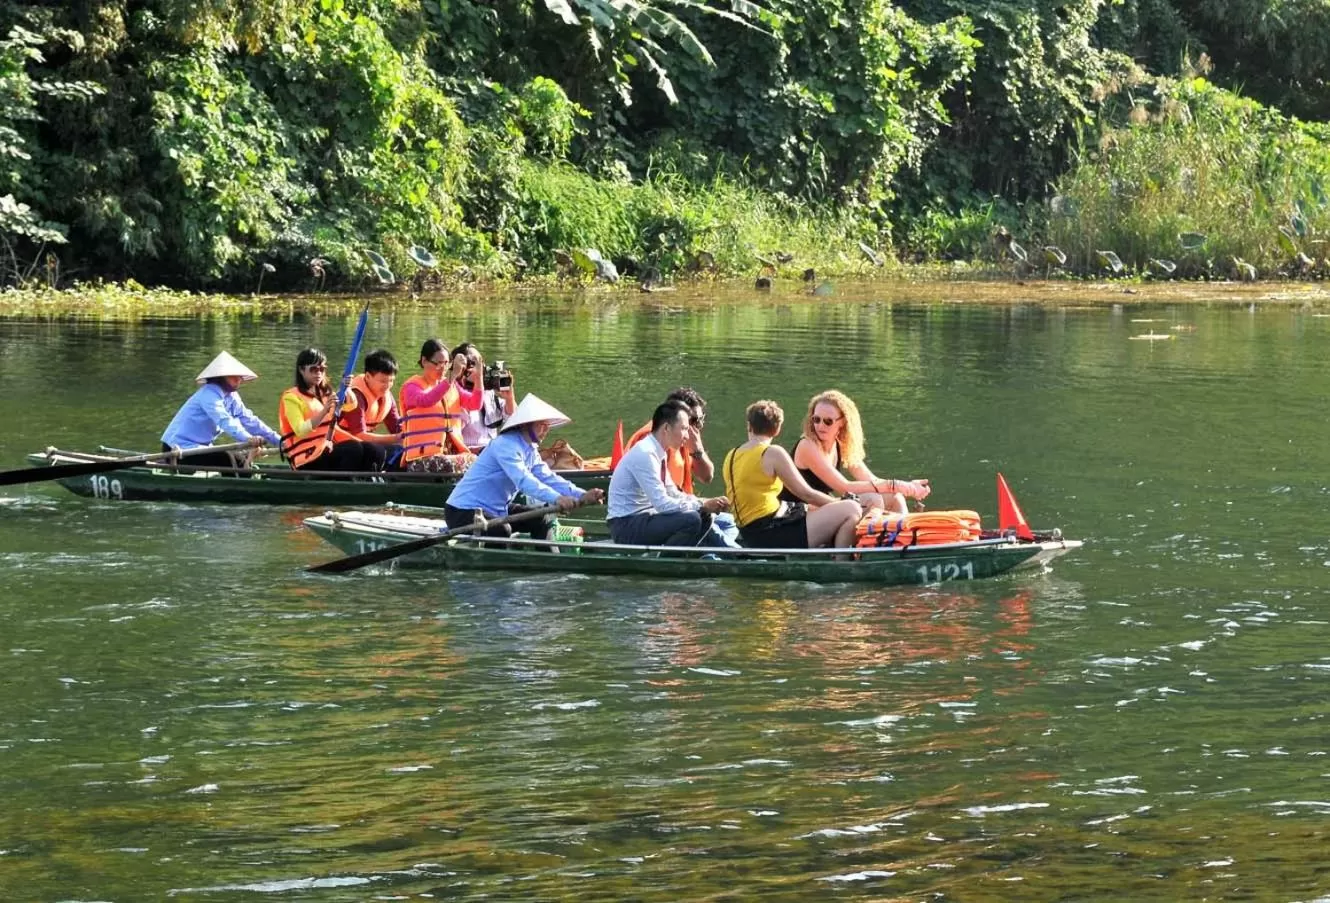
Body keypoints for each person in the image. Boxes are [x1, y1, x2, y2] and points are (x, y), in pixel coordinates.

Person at [445, 394, 604, 544]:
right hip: (463, 511)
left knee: (542, 518)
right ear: (526, 425)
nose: (545, 431)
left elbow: (548, 477)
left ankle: (550, 564)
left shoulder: (530, 449)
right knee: (501, 530)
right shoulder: (505, 445)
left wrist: (581, 494)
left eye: (547, 426)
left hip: (497, 509)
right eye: (541, 426)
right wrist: (557, 498)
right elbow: (523, 480)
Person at [722, 399, 862, 549]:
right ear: (777, 430)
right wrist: (841, 503)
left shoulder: (732, 455)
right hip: (770, 534)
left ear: (749, 426)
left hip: (749, 533)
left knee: (820, 508)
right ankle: (841, 564)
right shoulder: (773, 453)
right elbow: (807, 494)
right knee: (851, 509)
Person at [779, 390, 930, 515]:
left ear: (842, 422)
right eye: (816, 419)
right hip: (798, 512)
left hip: (822, 507)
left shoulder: (841, 445)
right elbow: (845, 487)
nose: (820, 425)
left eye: (828, 421)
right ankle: (873, 544)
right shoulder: (808, 445)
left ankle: (901, 538)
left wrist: (905, 487)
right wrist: (895, 484)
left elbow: (870, 479)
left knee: (895, 496)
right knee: (872, 499)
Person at [607, 399, 731, 546]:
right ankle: (666, 561)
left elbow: (672, 492)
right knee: (692, 519)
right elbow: (662, 504)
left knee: (705, 516)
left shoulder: (659, 452)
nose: (687, 436)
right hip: (625, 525)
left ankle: (686, 557)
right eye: (684, 429)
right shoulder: (646, 453)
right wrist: (702, 505)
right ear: (666, 428)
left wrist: (705, 503)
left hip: (644, 517)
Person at [161, 351, 282, 470]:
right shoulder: (208, 394)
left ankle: (246, 461)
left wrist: (280, 442)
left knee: (236, 458)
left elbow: (250, 420)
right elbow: (224, 420)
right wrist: (248, 438)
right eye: (233, 376)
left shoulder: (232, 396)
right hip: (178, 448)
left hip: (200, 447)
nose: (239, 379)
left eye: (239, 376)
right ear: (220, 377)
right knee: (229, 459)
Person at [278, 347, 383, 472]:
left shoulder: (324, 394)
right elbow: (300, 430)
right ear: (301, 370)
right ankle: (342, 484)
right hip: (306, 458)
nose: (318, 373)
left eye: (322, 369)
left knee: (375, 450)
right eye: (313, 369)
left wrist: (347, 389)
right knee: (353, 449)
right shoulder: (291, 398)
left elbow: (350, 406)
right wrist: (324, 411)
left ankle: (363, 481)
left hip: (326, 449)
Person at [398, 338, 480, 473]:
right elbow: (426, 400)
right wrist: (452, 376)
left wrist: (478, 377)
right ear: (424, 361)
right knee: (449, 464)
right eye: (438, 363)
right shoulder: (411, 387)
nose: (443, 368)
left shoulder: (451, 385)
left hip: (448, 453)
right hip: (420, 459)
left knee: (478, 462)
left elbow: (475, 404)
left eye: (447, 363)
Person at [623, 386, 713, 494]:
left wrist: (697, 450)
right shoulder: (654, 439)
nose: (700, 425)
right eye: (695, 420)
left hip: (677, 503)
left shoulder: (686, 439)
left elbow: (707, 477)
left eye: (701, 419)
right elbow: (654, 493)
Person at [337, 349, 404, 468]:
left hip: (365, 446)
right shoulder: (356, 395)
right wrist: (396, 438)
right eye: (383, 381)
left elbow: (397, 427)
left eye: (391, 380)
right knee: (380, 451)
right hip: (345, 447)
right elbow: (360, 435)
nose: (388, 385)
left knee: (403, 450)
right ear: (368, 376)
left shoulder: (386, 395)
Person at [451, 341, 515, 451]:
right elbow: (452, 438)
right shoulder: (455, 394)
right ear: (461, 368)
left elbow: (512, 419)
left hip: (493, 452)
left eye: (481, 361)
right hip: (470, 454)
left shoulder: (489, 393)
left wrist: (509, 398)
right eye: (474, 362)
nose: (482, 367)